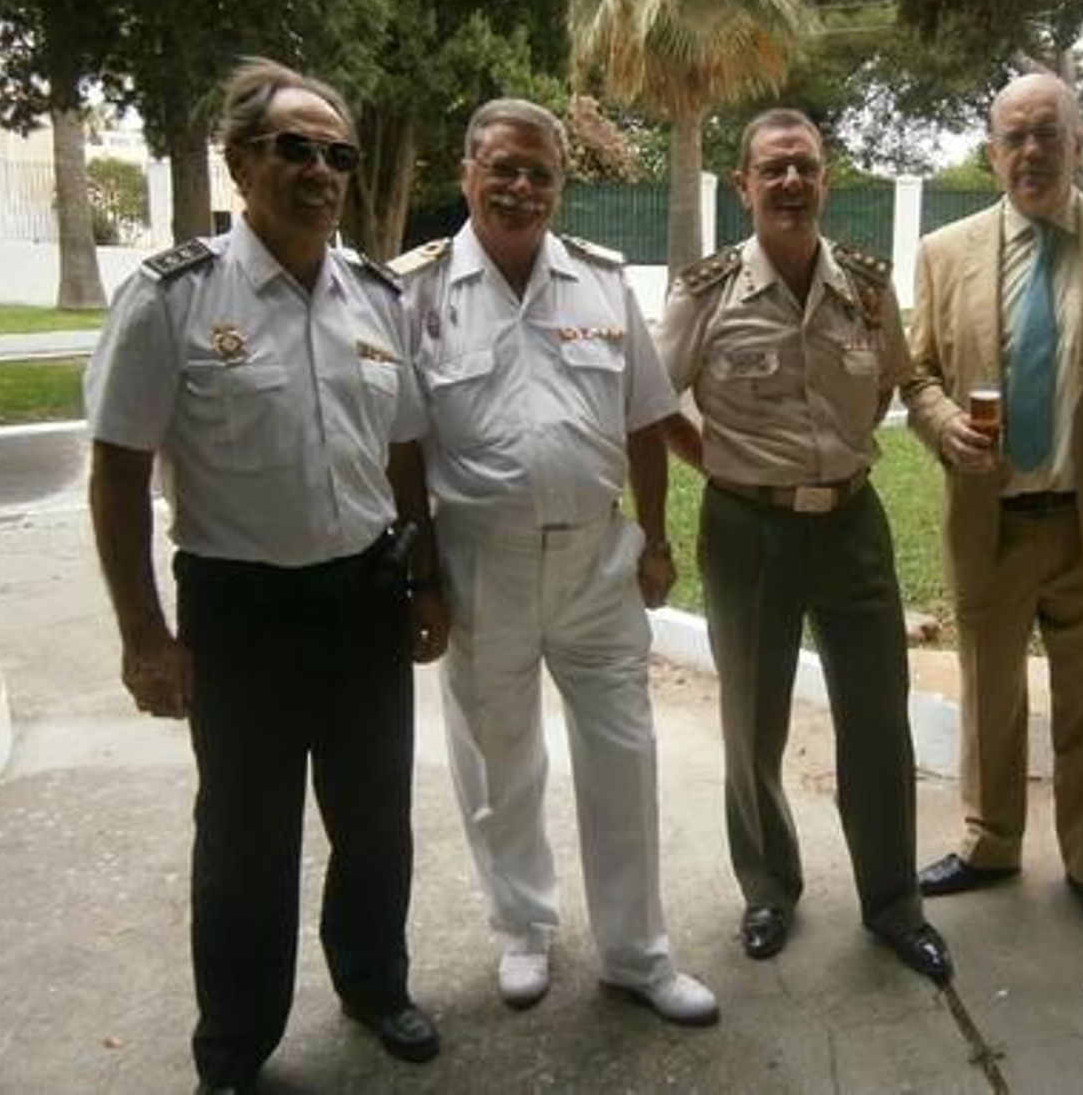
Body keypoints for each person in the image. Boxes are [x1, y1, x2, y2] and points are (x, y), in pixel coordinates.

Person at [85, 58, 444, 1094]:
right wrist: (144, 635)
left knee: (376, 818)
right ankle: (234, 1045)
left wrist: (424, 576)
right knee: (244, 839)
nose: (320, 170)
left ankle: (376, 984)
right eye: (294, 148)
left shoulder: (378, 297)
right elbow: (114, 471)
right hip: (240, 612)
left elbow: (406, 452)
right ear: (241, 162)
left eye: (337, 154)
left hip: (365, 601)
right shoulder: (173, 296)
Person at [392, 99, 717, 1027]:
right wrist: (421, 576)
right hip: (479, 565)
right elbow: (404, 449)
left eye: (540, 173)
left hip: (594, 564)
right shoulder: (416, 293)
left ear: (560, 187)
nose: (521, 187)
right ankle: (523, 928)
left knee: (624, 754)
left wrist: (654, 540)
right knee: (500, 764)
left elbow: (646, 420)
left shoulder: (602, 285)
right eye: (503, 167)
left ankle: (637, 952)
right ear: (467, 173)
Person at [656, 108, 951, 983]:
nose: (790, 183)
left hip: (854, 523)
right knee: (754, 723)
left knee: (877, 718)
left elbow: (894, 379)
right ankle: (768, 889)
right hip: (748, 529)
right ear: (743, 186)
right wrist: (719, 461)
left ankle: (894, 903)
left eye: (806, 168)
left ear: (825, 181)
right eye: (772, 169)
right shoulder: (704, 292)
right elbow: (652, 397)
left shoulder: (865, 286)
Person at [903, 73, 1083, 939]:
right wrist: (943, 423)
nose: (1031, 151)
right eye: (1014, 137)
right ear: (992, 151)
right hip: (992, 520)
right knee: (989, 699)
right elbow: (915, 371)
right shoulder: (945, 251)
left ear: (1078, 145)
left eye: (1048, 134)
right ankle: (990, 843)